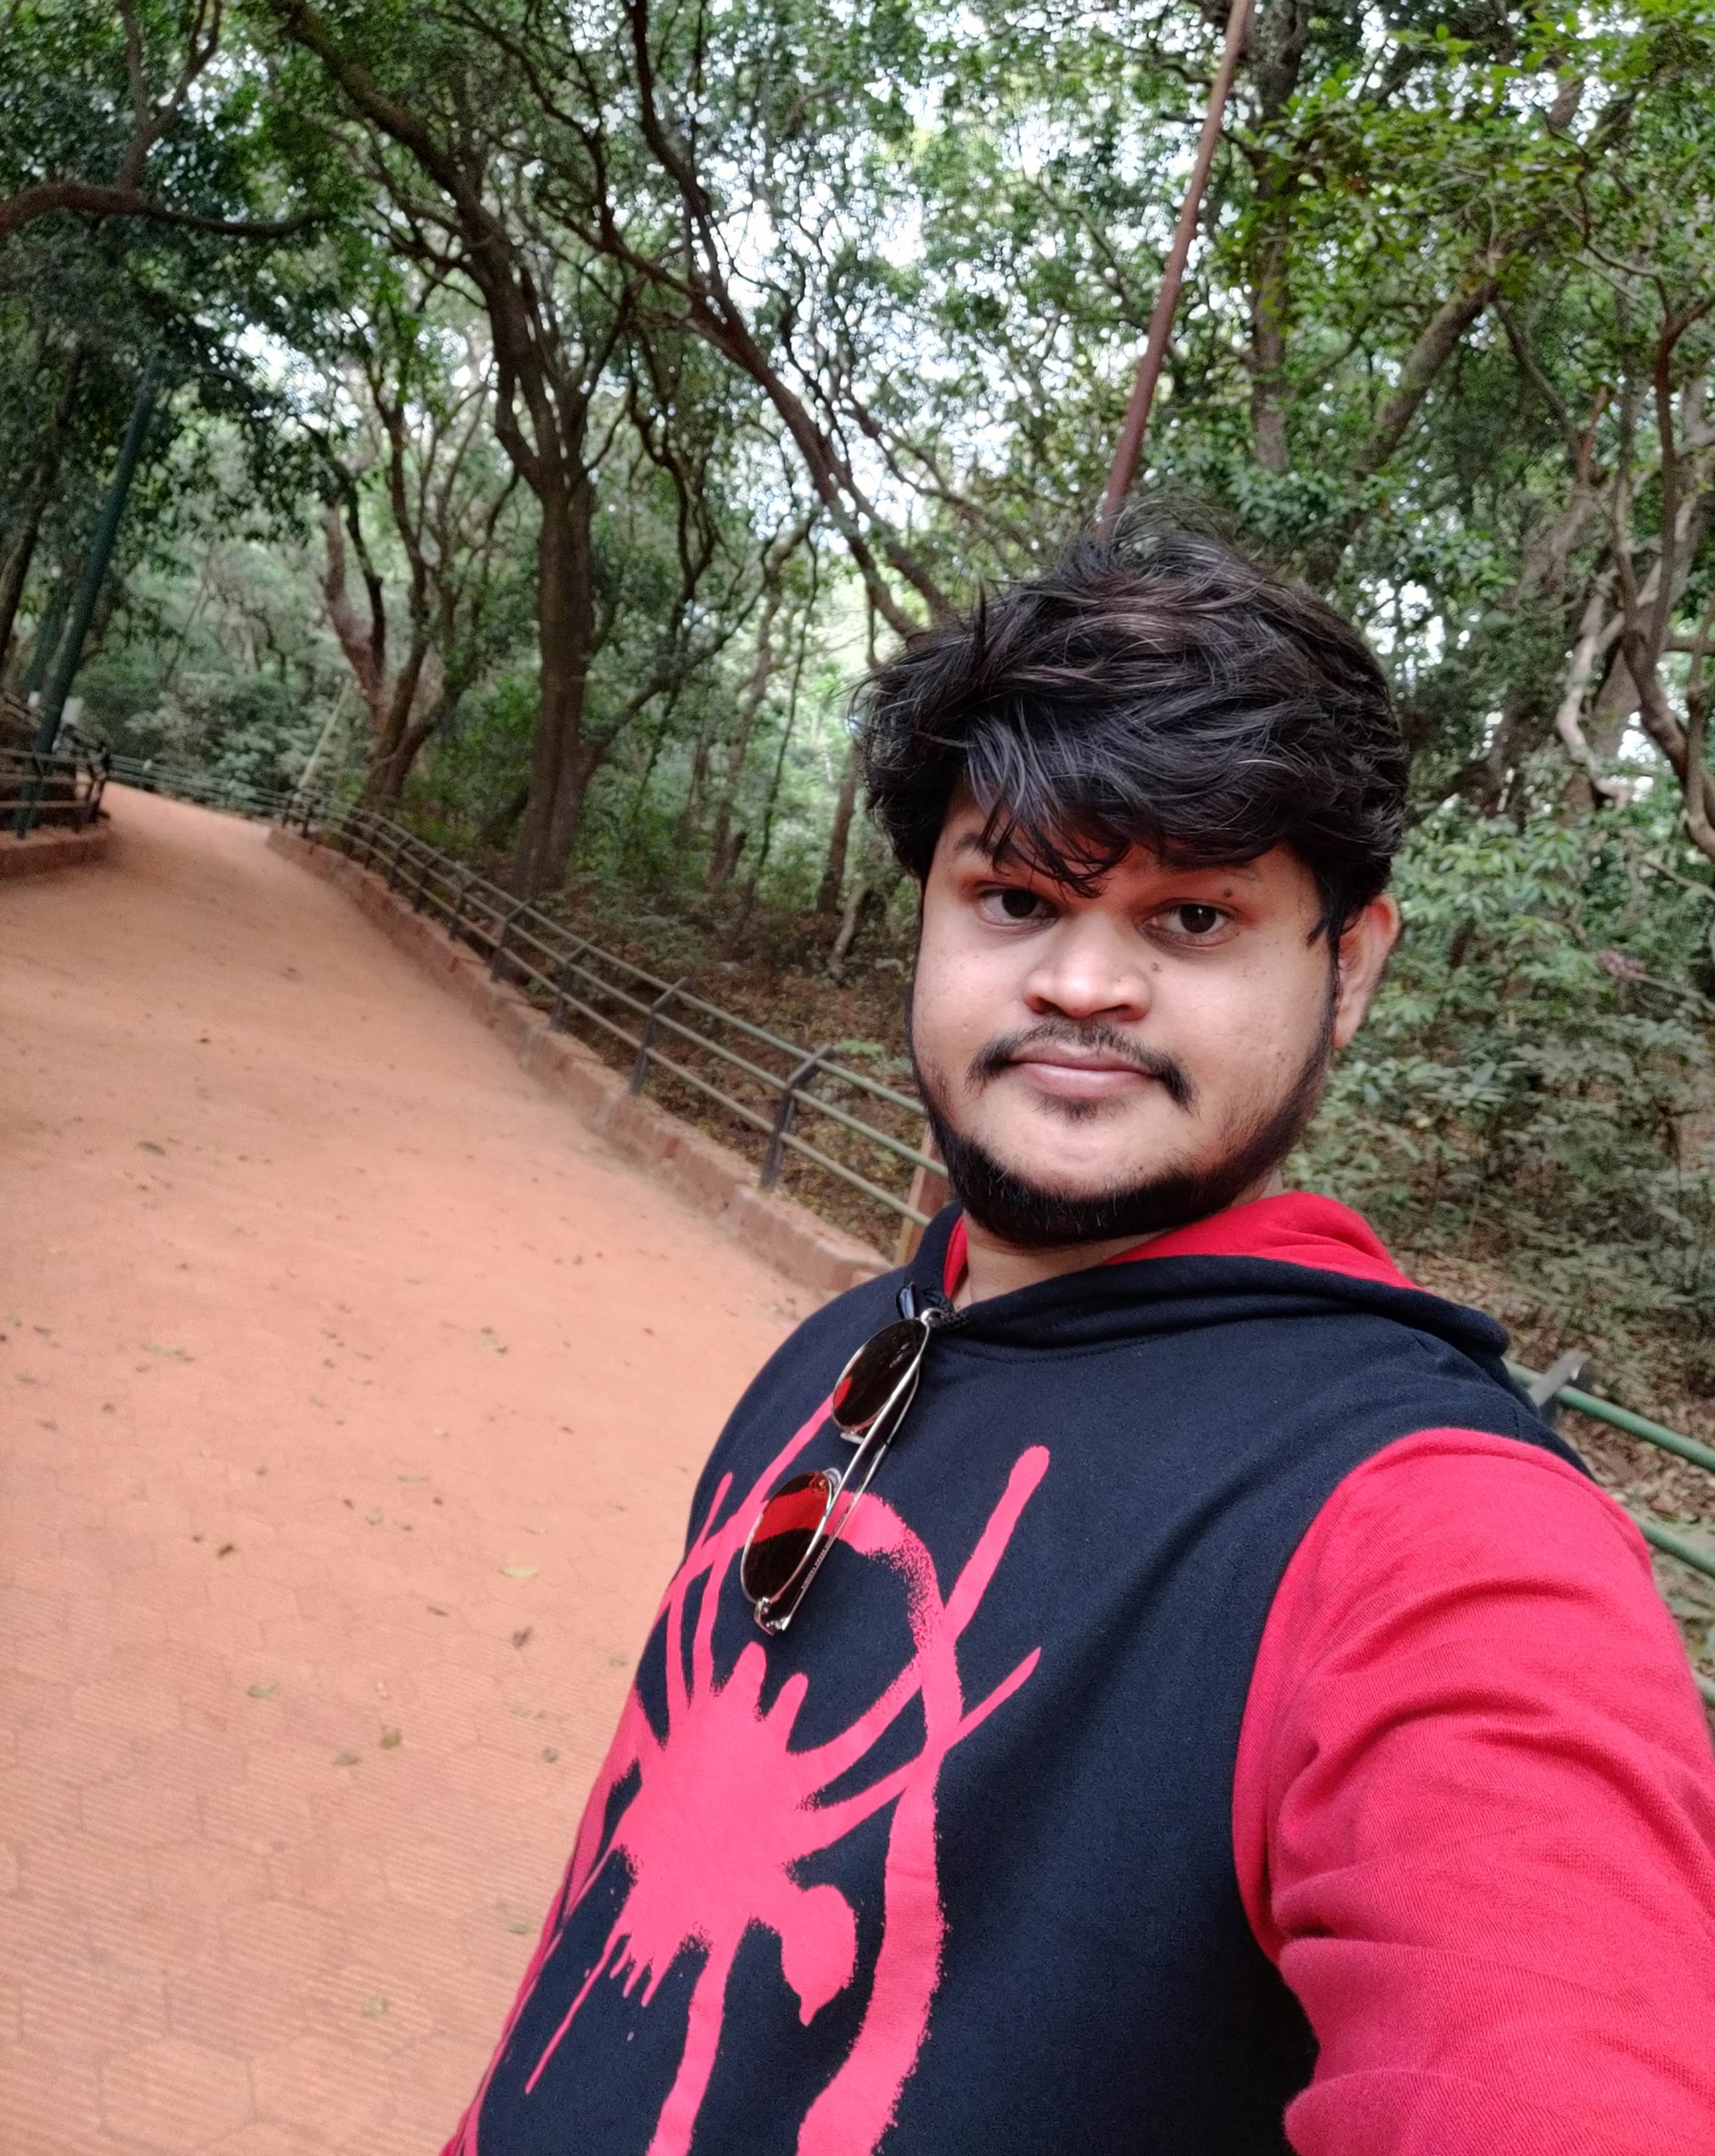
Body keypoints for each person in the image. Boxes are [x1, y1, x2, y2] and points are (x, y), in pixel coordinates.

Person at [446, 522, 1715, 2156]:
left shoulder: (1439, 1539)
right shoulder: (844, 1349)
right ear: (926, 917)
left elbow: (1556, 2048)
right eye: (1017, 896)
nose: (1087, 979)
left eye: (1194, 917)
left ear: (1347, 971)